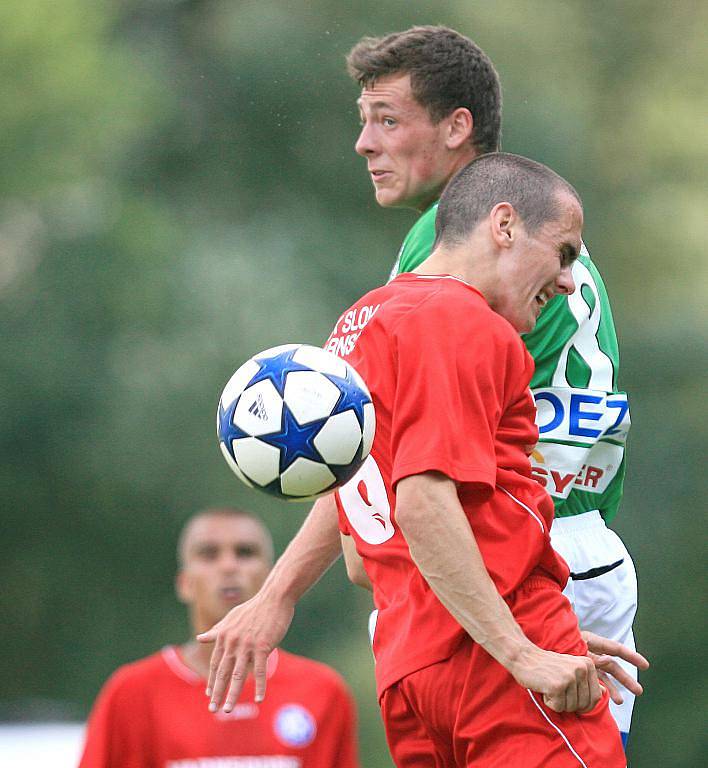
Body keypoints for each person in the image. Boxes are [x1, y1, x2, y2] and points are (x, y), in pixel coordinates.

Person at [212, 153, 627, 766]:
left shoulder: (359, 324)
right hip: (495, 663)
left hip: (409, 666)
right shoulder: (466, 322)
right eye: (564, 253)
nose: (568, 281)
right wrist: (522, 647)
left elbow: (363, 556)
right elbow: (425, 501)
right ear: (504, 225)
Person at [346, 26, 640, 746]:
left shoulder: (445, 264)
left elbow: (390, 467)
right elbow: (406, 467)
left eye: (387, 118)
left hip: (496, 568)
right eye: (364, 120)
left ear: (457, 127)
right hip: (531, 557)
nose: (365, 142)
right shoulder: (520, 233)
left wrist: (282, 593)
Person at [79, 507, 359, 768]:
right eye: (209, 554)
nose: (228, 566)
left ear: (271, 576)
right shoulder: (131, 692)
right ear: (185, 583)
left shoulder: (321, 690)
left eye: (245, 553)